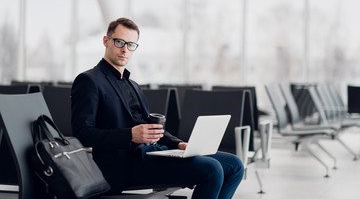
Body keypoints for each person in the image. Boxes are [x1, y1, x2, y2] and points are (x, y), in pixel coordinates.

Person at [71, 17, 244, 199]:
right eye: (119, 42)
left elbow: (152, 128)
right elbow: (82, 133)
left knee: (235, 165)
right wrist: (130, 135)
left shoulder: (133, 85)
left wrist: (179, 144)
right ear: (106, 41)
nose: (125, 49)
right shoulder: (89, 80)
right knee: (212, 169)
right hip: (126, 163)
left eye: (131, 45)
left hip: (153, 153)